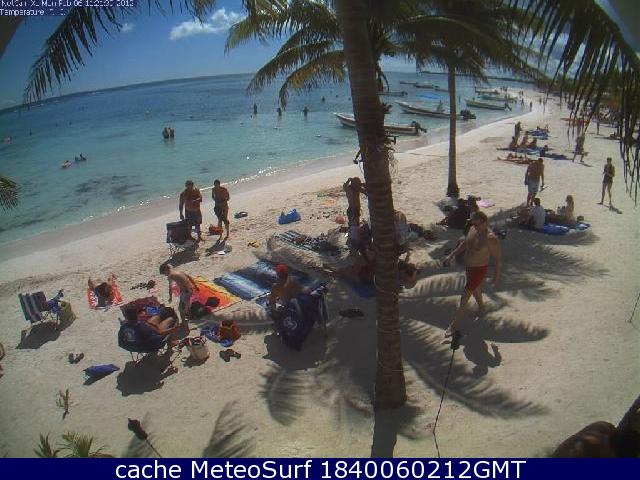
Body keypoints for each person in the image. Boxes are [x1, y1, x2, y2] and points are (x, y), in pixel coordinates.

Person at [443, 211, 501, 337]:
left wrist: (496, 277)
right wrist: (451, 255)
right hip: (469, 268)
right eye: (473, 224)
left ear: (485, 222)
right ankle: (482, 308)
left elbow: (497, 259)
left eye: (477, 224)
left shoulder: (491, 239)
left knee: (464, 298)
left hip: (479, 270)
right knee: (475, 290)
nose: (475, 227)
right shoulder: (472, 229)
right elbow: (464, 244)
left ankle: (453, 325)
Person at [159, 264, 198, 328]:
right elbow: (189, 277)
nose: (165, 275)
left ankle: (184, 324)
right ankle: (189, 316)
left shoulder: (170, 276)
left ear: (166, 270)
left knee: (181, 309)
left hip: (186, 292)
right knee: (186, 306)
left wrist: (170, 297)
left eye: (164, 273)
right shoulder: (177, 271)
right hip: (190, 289)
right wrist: (195, 286)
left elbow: (170, 288)